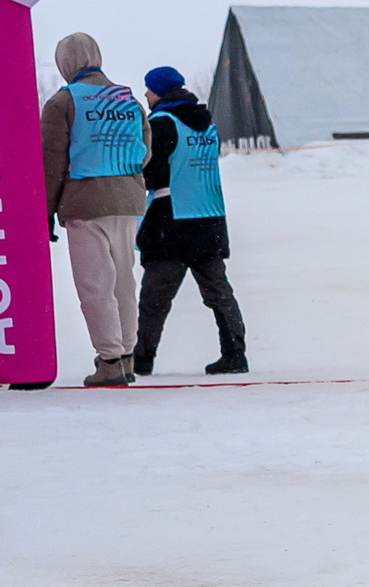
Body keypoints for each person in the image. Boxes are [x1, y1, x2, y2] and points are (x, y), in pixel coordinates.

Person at [42, 33, 148, 386]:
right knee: (123, 281)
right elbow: (144, 151)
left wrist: (45, 210)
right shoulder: (127, 99)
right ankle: (127, 357)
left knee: (95, 286)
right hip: (129, 200)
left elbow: (51, 162)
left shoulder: (63, 103)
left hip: (85, 202)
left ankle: (109, 361)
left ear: (65, 63)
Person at [133, 66, 247, 376]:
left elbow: (152, 174)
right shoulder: (207, 124)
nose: (146, 94)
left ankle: (141, 359)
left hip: (170, 222)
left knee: (155, 297)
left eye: (149, 89)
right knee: (219, 292)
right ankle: (235, 353)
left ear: (160, 91)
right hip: (208, 218)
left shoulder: (160, 123)